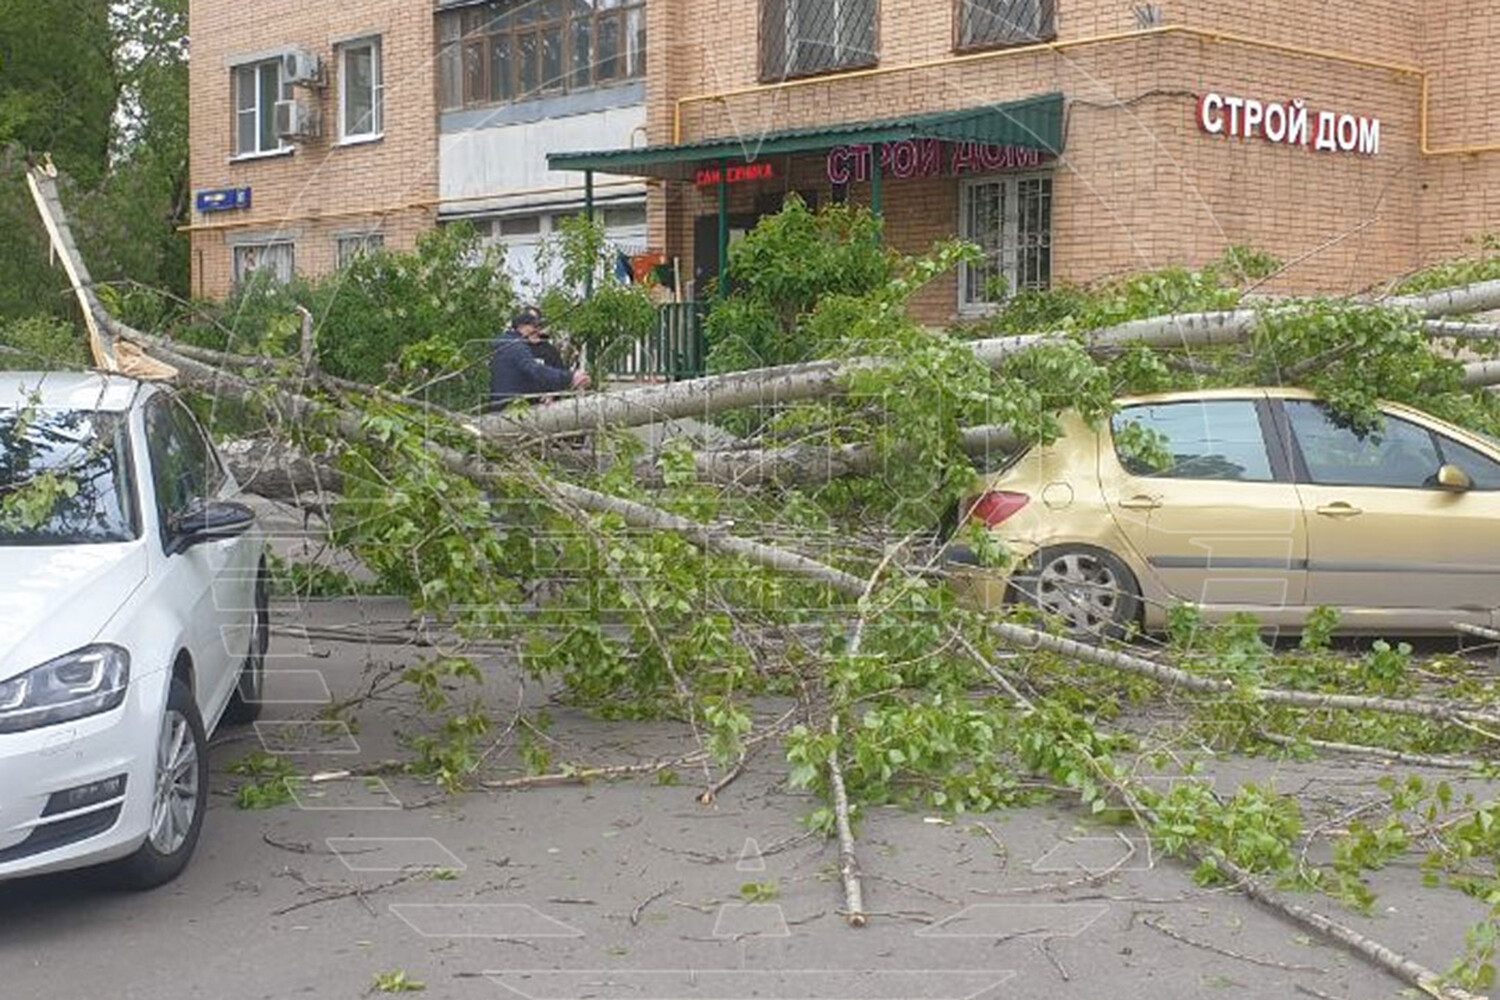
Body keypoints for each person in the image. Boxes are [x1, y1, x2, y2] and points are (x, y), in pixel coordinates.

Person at [487, 308, 589, 412]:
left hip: (516, 405)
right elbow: (533, 369)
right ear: (521, 326)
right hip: (511, 408)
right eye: (534, 326)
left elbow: (526, 377)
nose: (538, 330)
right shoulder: (515, 346)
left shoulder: (511, 342)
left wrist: (551, 393)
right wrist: (570, 377)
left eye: (540, 327)